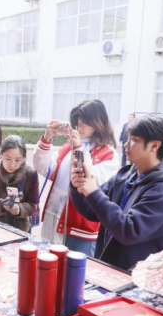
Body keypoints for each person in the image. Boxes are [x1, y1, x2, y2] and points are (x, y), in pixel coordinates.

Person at [70, 115, 163, 270]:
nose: (126, 144)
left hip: (138, 277)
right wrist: (79, 187)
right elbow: (91, 211)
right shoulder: (125, 176)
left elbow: (129, 231)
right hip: (108, 267)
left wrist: (94, 192)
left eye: (134, 140)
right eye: (128, 138)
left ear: (155, 145)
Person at [33, 100, 120, 256]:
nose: (80, 127)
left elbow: (91, 180)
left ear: (98, 123)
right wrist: (47, 137)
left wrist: (78, 148)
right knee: (49, 265)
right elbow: (45, 168)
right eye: (78, 123)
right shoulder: (68, 147)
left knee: (77, 270)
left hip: (81, 229)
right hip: (55, 220)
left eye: (85, 123)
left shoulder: (108, 153)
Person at [0, 135, 38, 232]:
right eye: (8, 159)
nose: (12, 164)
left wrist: (19, 209)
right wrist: (3, 205)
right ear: (1, 154)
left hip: (21, 229)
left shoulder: (31, 173)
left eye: (17, 160)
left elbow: (33, 205)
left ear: (24, 158)